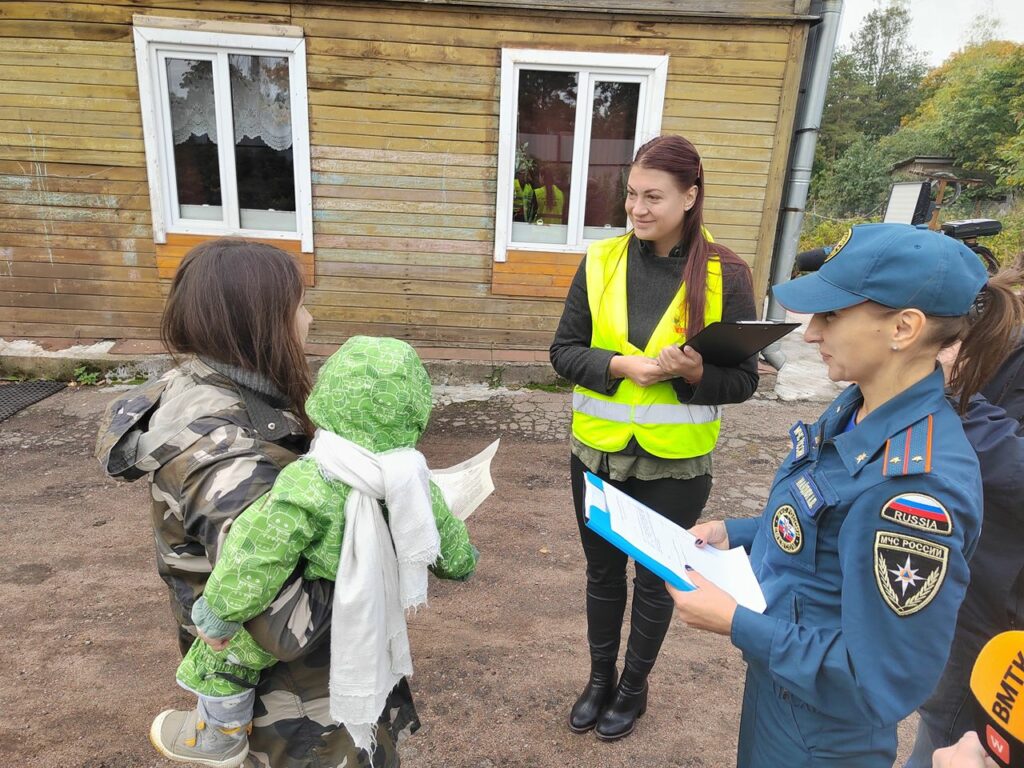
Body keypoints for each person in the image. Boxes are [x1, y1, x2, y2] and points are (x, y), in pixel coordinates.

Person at [668, 222, 1024, 767]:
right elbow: (828, 525)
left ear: (904, 327)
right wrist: (736, 532)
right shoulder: (861, 404)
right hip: (784, 692)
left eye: (831, 315)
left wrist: (736, 621)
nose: (811, 333)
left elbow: (876, 680)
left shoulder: (914, 491)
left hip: (821, 736)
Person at [96, 240, 415, 767]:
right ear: (258, 323)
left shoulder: (237, 393)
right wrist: (391, 535)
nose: (309, 320)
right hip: (299, 715)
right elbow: (283, 619)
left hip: (298, 697)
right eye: (299, 306)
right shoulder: (227, 454)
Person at [154, 335, 479, 767]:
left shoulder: (310, 479)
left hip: (303, 607)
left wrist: (219, 610)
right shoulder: (412, 479)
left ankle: (220, 735)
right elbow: (449, 548)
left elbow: (258, 552)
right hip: (365, 608)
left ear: (327, 396)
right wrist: (465, 561)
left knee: (225, 658)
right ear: (417, 409)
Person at [550, 134, 759, 741]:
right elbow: (563, 352)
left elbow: (744, 380)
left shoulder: (727, 273)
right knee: (602, 574)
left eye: (654, 197)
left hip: (676, 466)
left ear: (690, 197)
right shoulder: (601, 260)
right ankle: (599, 679)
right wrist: (619, 366)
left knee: (655, 581)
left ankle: (633, 687)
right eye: (632, 195)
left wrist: (695, 375)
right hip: (597, 454)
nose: (637, 209)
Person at [905, 327, 1024, 766]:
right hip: (977, 580)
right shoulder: (1009, 333)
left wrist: (952, 396)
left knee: (958, 734)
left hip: (1002, 607)